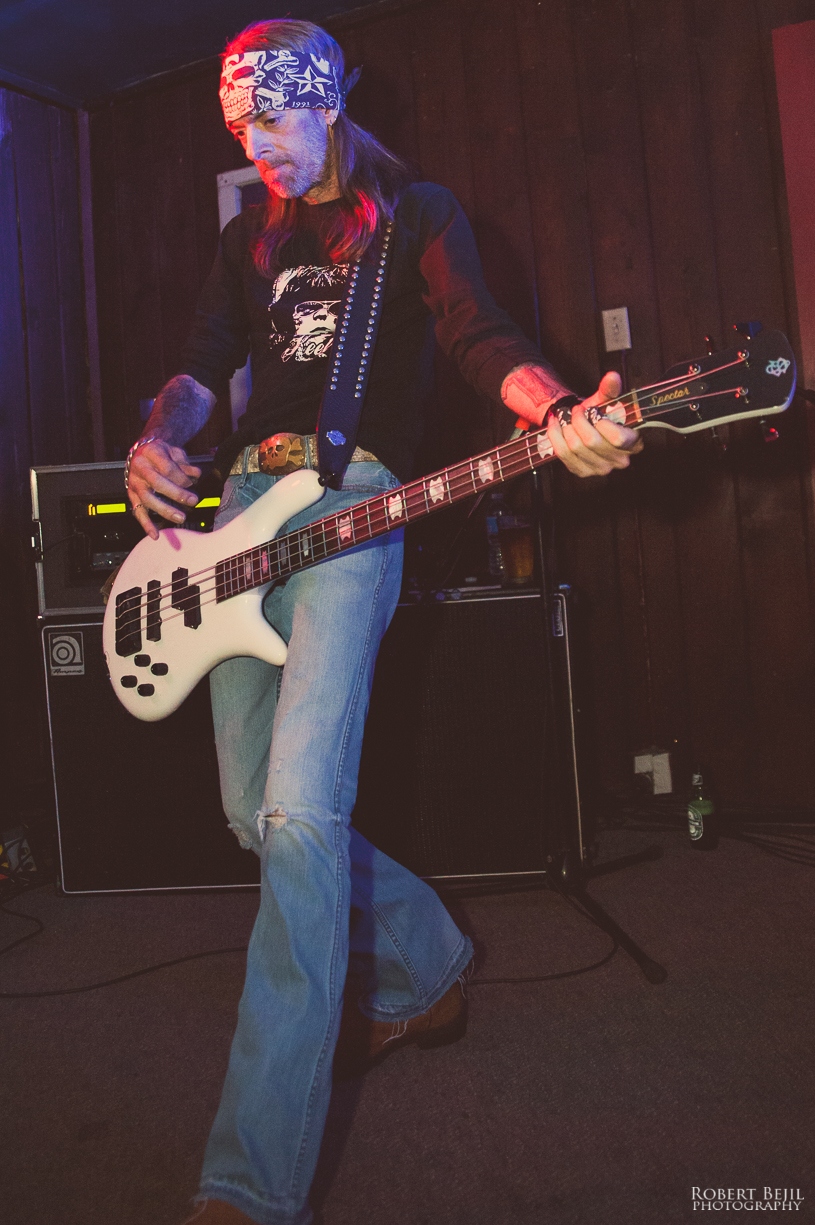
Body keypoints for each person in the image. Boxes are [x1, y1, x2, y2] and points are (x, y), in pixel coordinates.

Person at [124, 19, 643, 1225]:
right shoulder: (246, 239)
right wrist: (163, 429)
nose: (261, 152)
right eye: (240, 132)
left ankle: (246, 1184)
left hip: (355, 507)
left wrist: (557, 411)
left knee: (303, 814)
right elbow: (202, 368)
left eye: (276, 123)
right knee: (252, 814)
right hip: (242, 516)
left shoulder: (415, 213)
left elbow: (479, 341)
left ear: (331, 102)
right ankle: (430, 958)